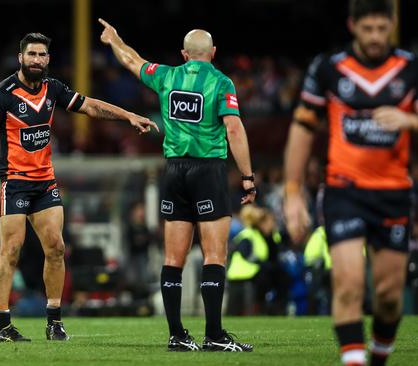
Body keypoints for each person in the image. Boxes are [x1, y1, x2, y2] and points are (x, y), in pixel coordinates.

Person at [0, 32, 157, 343]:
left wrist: (127, 115)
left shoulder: (53, 89)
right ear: (21, 58)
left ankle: (54, 321)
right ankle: (1, 324)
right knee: (10, 250)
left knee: (57, 248)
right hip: (15, 182)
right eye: (31, 54)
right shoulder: (3, 95)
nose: (36, 60)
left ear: (48, 59)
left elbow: (89, 106)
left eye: (42, 55)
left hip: (45, 181)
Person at [99, 19, 256, 352]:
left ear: (184, 54)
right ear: (213, 53)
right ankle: (214, 334)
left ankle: (177, 335)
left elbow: (132, 60)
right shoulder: (221, 81)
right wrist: (247, 176)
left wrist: (114, 39)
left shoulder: (167, 76)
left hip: (174, 171)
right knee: (215, 255)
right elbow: (235, 130)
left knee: (173, 258)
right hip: (208, 170)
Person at [283, 0, 418, 364]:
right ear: (352, 26)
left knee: (389, 296)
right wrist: (293, 192)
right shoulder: (328, 69)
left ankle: (378, 356)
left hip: (393, 193)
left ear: (391, 25)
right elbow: (302, 128)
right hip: (344, 190)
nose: (375, 37)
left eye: (381, 29)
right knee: (347, 285)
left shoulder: (409, 68)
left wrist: (409, 122)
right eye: (367, 29)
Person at [227, 205, 288, 316]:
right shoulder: (249, 234)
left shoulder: (267, 236)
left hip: (251, 276)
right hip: (245, 276)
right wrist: (264, 264)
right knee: (238, 313)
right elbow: (248, 255)